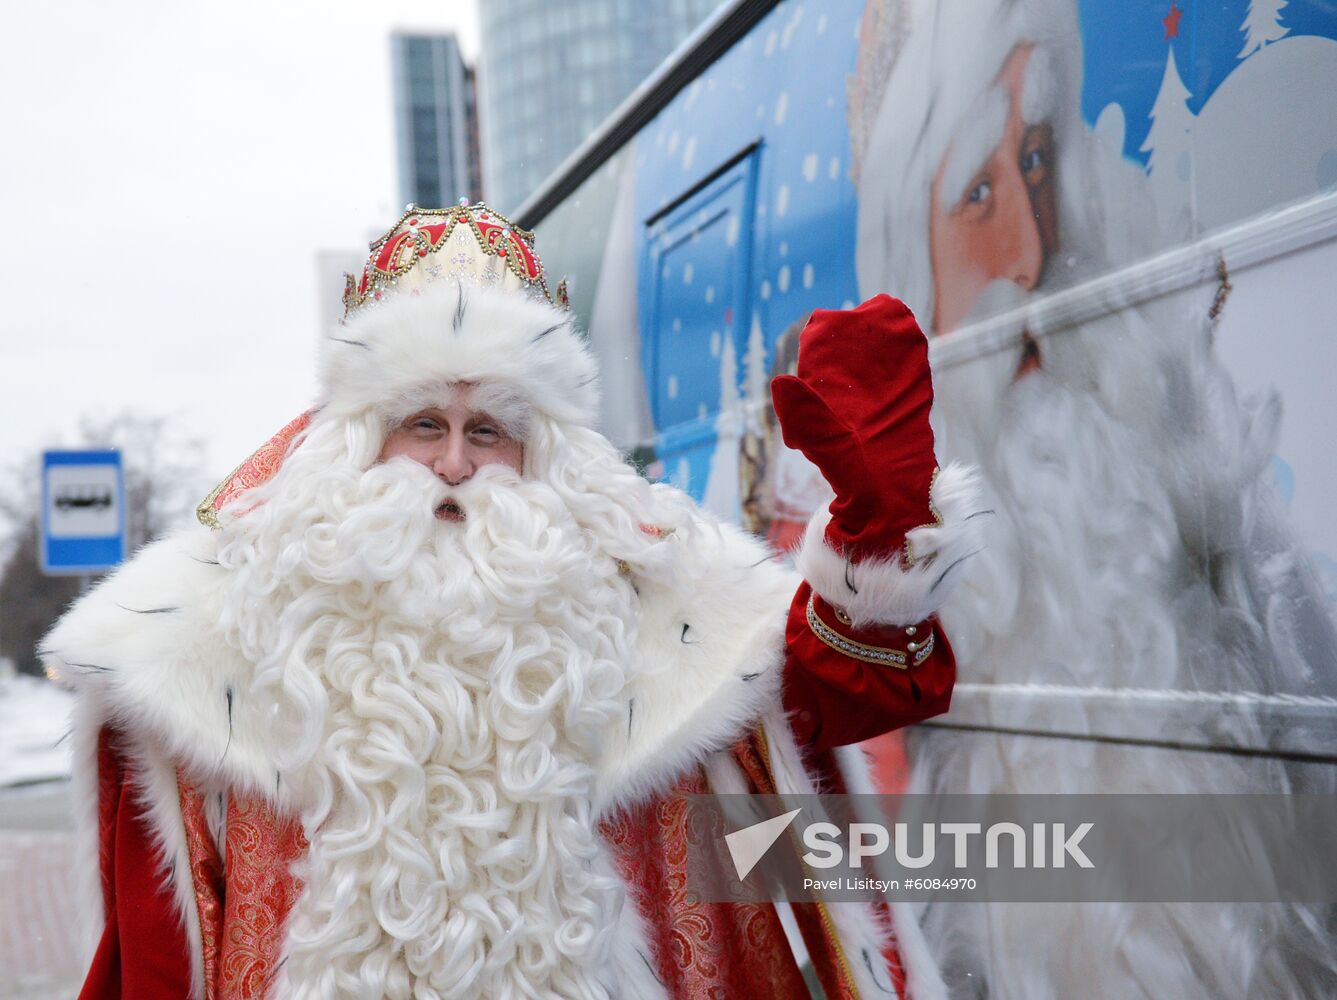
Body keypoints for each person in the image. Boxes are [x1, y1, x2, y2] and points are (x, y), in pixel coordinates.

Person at [43, 201, 981, 999]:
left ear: (540, 448)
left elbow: (837, 700)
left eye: (487, 428)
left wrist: (881, 540)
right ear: (359, 438)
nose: (454, 463)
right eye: (423, 424)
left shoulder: (648, 602)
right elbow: (154, 954)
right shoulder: (209, 644)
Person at [848, 0, 1337, 997]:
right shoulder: (875, 643)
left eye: (1035, 166)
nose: (1030, 252)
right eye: (979, 192)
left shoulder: (1249, 572)